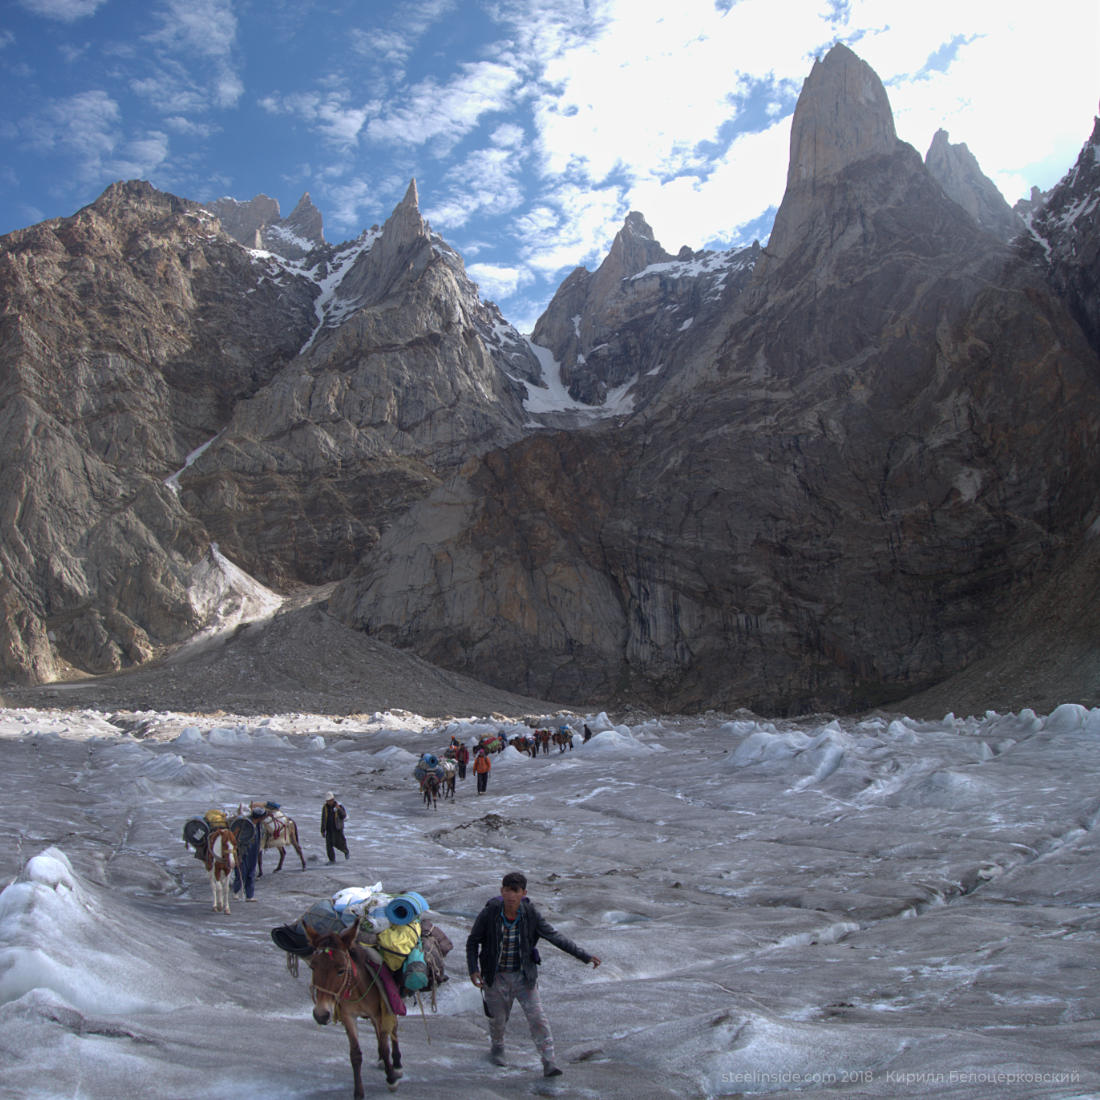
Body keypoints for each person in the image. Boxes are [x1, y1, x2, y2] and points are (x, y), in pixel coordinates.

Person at [466, 871, 601, 1078]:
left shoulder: (530, 914)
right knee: (498, 1019)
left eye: (516, 891)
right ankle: (498, 1048)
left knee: (538, 1018)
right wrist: (473, 969)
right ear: (501, 891)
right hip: (495, 976)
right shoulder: (490, 912)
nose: (511, 895)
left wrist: (584, 956)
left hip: (524, 976)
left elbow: (555, 937)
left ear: (523, 893)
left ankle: (549, 1062)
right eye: (507, 891)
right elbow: (473, 941)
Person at [232, 806, 265, 901]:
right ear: (259, 817)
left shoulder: (259, 825)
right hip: (243, 852)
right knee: (241, 872)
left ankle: (249, 896)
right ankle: (236, 892)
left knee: (251, 873)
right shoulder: (244, 824)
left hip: (253, 852)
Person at [321, 791, 348, 862]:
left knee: (340, 844)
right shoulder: (325, 808)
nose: (329, 802)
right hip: (329, 829)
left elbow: (344, 816)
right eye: (327, 801)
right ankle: (332, 860)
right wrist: (323, 830)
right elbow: (323, 818)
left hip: (337, 829)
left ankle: (345, 851)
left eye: (330, 800)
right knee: (329, 846)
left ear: (333, 800)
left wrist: (338, 809)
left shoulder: (339, 806)